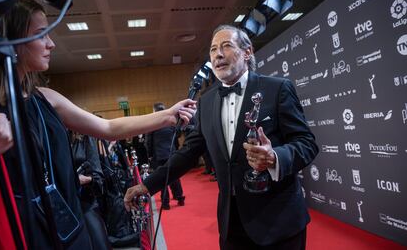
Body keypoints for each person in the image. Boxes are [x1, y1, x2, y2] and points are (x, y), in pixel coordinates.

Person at [0, 0, 196, 249]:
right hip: (23, 233)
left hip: (68, 223)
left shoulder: (45, 97)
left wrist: (168, 115)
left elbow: (108, 128)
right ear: (12, 42)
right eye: (41, 35)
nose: (51, 44)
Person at [124, 24, 319, 250]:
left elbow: (307, 143)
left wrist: (275, 157)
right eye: (213, 49)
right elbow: (188, 153)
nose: (218, 54)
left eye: (226, 46)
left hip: (279, 222)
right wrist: (148, 185)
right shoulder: (206, 101)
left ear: (247, 53)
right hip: (231, 224)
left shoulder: (277, 89)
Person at [146, 102, 185, 209]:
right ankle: (180, 197)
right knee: (174, 176)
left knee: (162, 179)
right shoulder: (170, 121)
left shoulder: (153, 123)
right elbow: (177, 135)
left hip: (159, 155)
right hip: (171, 153)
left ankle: (165, 203)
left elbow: (148, 142)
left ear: (155, 111)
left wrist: (149, 155)